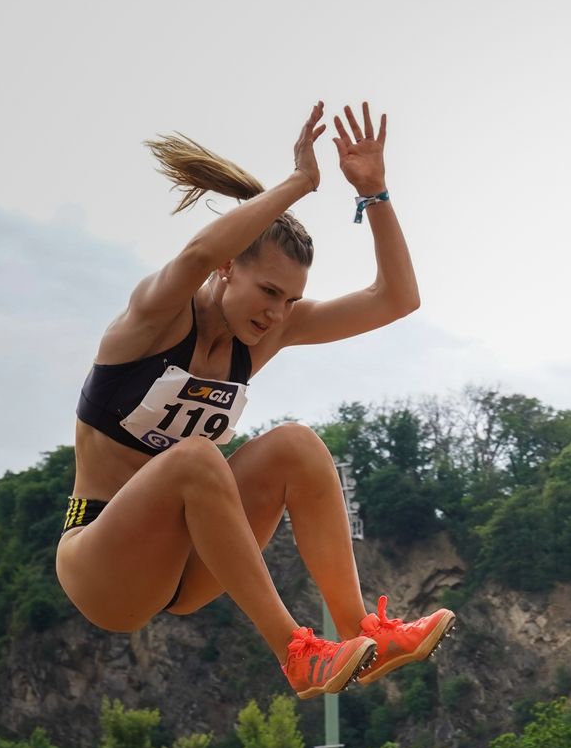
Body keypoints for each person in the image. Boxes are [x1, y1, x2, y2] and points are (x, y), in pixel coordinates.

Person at [55, 101, 452, 699]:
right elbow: (190, 256)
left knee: (296, 444)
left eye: (291, 300)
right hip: (102, 562)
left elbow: (396, 299)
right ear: (224, 271)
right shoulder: (152, 321)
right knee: (193, 457)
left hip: (187, 568)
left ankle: (362, 632)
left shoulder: (265, 336)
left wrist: (374, 193)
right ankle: (295, 650)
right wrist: (299, 184)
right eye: (268, 291)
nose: (276, 314)